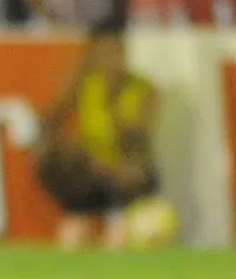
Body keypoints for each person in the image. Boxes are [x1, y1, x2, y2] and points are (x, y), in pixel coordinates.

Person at [36, 20, 164, 250]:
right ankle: (79, 221)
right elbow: (51, 119)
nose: (109, 59)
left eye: (114, 51)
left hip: (125, 169)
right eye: (102, 51)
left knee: (130, 174)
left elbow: (138, 139)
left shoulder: (143, 89)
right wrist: (55, 148)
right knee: (65, 163)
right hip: (91, 167)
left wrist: (112, 99)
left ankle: (118, 222)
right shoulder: (82, 83)